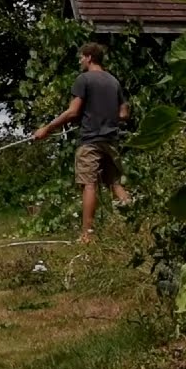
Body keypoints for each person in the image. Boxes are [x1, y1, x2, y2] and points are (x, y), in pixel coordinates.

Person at [32, 42, 131, 243]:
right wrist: (106, 117)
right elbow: (124, 113)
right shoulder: (113, 81)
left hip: (91, 141)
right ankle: (134, 220)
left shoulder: (83, 79)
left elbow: (73, 111)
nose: (79, 61)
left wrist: (46, 129)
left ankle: (87, 234)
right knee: (114, 183)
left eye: (81, 57)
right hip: (111, 140)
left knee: (88, 184)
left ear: (89, 57)